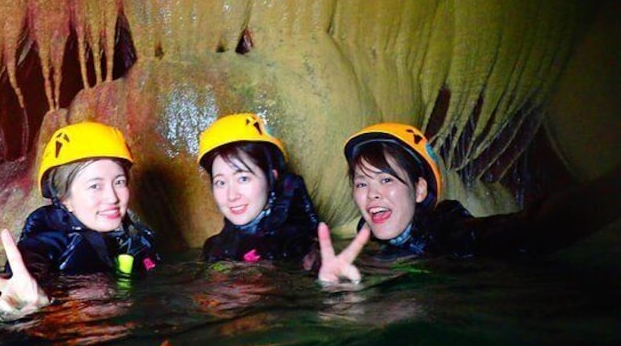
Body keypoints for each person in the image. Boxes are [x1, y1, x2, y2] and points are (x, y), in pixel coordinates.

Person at [0, 121, 160, 319]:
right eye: (95, 186)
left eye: (119, 182)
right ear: (65, 199)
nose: (113, 197)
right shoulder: (52, 231)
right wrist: (24, 296)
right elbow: (34, 253)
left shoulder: (134, 238)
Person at [341, 122, 621, 261]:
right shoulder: (366, 247)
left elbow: (531, 229)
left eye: (386, 180)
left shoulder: (448, 234)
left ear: (419, 190)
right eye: (362, 184)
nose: (372, 194)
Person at [197, 113, 368, 283]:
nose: (231, 195)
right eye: (220, 182)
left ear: (272, 178)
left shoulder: (297, 247)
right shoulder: (213, 248)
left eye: (243, 178)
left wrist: (330, 286)